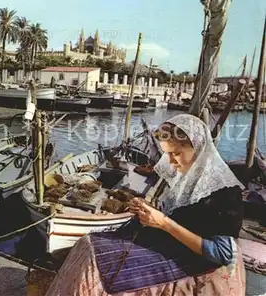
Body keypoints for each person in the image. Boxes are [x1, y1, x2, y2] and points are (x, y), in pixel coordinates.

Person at [45, 114, 246, 295]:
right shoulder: (186, 180)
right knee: (88, 243)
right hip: (172, 244)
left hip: (198, 262)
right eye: (168, 154)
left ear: (198, 150)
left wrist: (164, 223)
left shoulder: (225, 192)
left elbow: (223, 254)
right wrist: (146, 212)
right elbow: (182, 217)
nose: (171, 161)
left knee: (95, 261)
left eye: (176, 153)